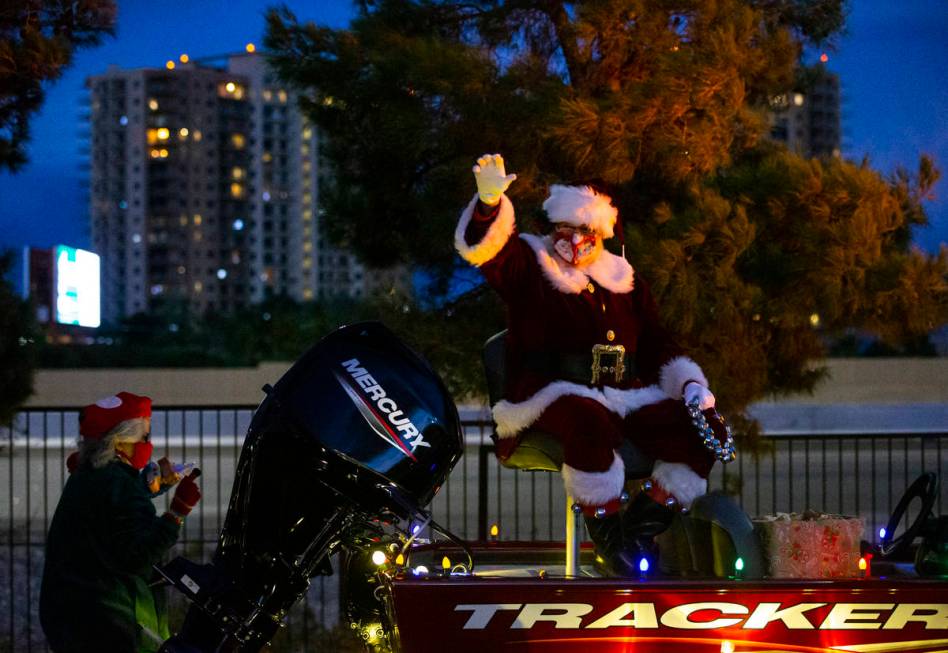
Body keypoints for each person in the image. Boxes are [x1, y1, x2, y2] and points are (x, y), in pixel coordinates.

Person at [456, 154, 732, 575]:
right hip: (554, 391)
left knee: (696, 428)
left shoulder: (623, 278)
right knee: (588, 422)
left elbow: (656, 340)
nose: (574, 239)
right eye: (565, 229)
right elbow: (490, 254)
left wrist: (690, 385)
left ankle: (639, 532)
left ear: (601, 232)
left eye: (585, 230)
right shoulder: (532, 263)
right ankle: (607, 537)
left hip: (625, 393)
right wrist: (489, 205)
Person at [40, 392, 202, 652]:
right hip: (109, 618)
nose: (148, 444)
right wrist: (178, 512)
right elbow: (138, 554)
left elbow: (109, 507)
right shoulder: (116, 482)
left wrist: (152, 486)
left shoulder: (88, 474)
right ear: (118, 441)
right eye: (144, 437)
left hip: (70, 613)